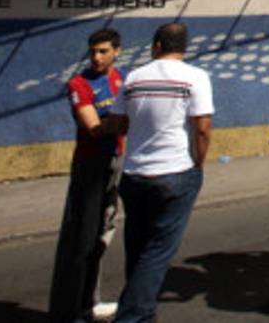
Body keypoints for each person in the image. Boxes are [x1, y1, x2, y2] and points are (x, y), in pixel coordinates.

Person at [110, 23, 213, 323]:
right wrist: (199, 164)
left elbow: (119, 123)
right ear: (183, 48)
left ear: (156, 46)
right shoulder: (196, 77)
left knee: (138, 245)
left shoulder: (134, 77)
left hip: (134, 173)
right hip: (175, 171)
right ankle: (133, 316)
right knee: (157, 251)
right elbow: (202, 128)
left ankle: (144, 311)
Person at [48, 28, 125, 323]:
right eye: (93, 51)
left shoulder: (122, 80)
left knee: (103, 233)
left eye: (103, 51)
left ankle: (89, 302)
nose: (97, 57)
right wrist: (122, 121)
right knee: (82, 238)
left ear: (117, 52)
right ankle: (72, 309)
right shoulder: (79, 84)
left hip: (115, 163)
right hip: (89, 167)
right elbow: (93, 127)